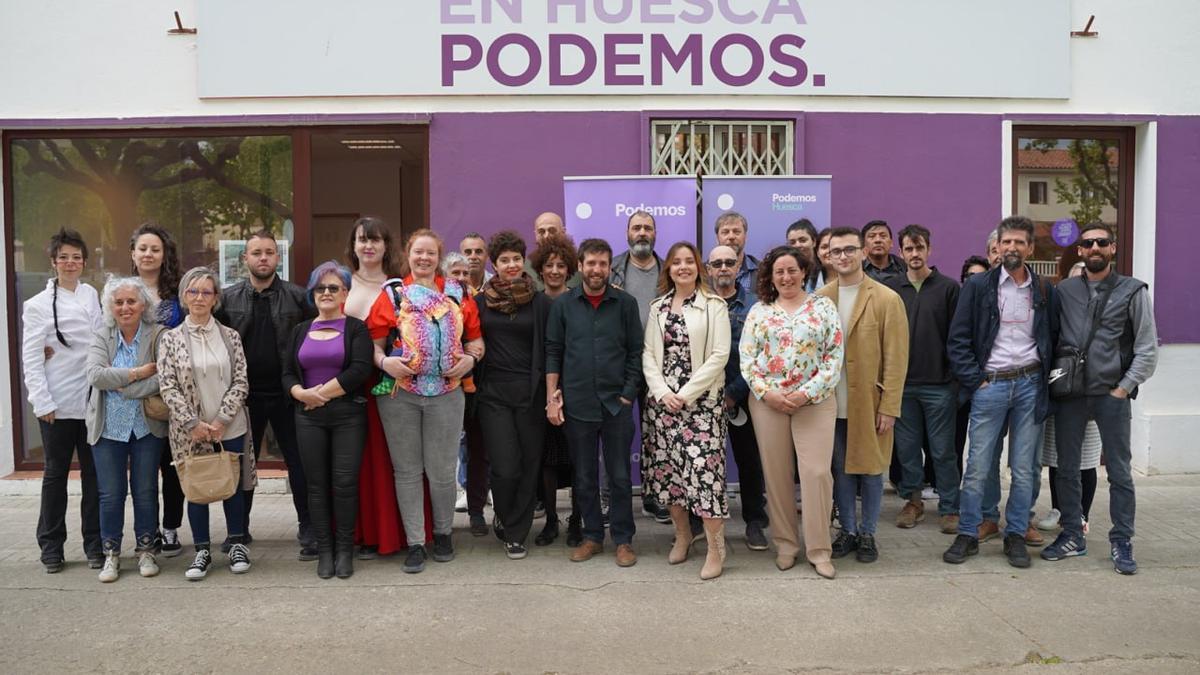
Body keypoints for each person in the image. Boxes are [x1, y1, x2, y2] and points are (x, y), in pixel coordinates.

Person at [1041, 223, 1158, 574]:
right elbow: (1051, 337)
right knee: (1066, 468)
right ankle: (1073, 534)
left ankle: (1122, 539)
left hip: (1111, 395)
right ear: (1079, 250)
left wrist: (1123, 388)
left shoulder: (1133, 291)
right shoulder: (1064, 291)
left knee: (1120, 472)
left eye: (1101, 242)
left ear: (1113, 248)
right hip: (1071, 395)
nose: (1094, 248)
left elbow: (1147, 348)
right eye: (1087, 243)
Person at [367, 229, 484, 574]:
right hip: (400, 395)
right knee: (407, 471)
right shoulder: (393, 294)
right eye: (418, 252)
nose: (423, 258)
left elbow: (476, 340)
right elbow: (373, 343)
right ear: (408, 254)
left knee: (443, 471)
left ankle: (444, 534)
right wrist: (383, 362)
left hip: (448, 394)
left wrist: (471, 360)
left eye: (430, 253)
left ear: (438, 257)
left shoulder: (457, 293)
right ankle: (416, 542)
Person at [944, 216, 1057, 569]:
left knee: (1024, 468)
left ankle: (1016, 535)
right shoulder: (978, 286)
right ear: (996, 247)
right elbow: (958, 339)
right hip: (990, 384)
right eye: (1006, 242)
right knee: (977, 464)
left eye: (1019, 243)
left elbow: (1052, 337)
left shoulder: (1044, 289)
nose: (1011, 248)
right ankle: (968, 532)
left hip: (1029, 384)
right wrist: (976, 379)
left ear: (1030, 248)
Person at [740, 246, 843, 579]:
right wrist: (769, 393)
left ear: (804, 272)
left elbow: (833, 357)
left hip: (814, 402)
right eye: (779, 271)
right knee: (777, 475)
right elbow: (748, 359)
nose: (786, 277)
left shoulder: (823, 307)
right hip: (768, 403)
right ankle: (786, 545)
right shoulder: (759, 311)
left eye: (792, 270)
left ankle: (819, 549)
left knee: (815, 474)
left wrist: (804, 393)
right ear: (770, 276)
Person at [215, 230, 316, 559]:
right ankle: (238, 530)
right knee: (242, 465)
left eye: (269, 252)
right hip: (244, 397)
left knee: (299, 464)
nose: (263, 258)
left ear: (278, 257)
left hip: (289, 394)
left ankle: (309, 528)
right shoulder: (227, 300)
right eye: (256, 252)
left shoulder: (298, 297)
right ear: (245, 258)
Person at [546, 238, 643, 567]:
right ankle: (591, 537)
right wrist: (553, 396)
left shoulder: (626, 304)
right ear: (580, 266)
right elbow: (553, 352)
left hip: (617, 404)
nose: (597, 269)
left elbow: (635, 352)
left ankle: (623, 540)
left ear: (608, 267)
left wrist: (628, 393)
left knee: (618, 476)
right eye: (591, 263)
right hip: (578, 403)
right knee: (584, 475)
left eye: (603, 264)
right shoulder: (564, 305)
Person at [158, 267, 255, 580]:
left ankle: (237, 543)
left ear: (216, 299)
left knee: (232, 486)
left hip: (230, 425)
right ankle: (201, 550)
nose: (199, 297)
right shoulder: (170, 339)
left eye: (206, 292)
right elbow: (167, 385)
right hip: (190, 430)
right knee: (197, 487)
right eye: (192, 291)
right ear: (184, 297)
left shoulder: (230, 336)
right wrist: (193, 423)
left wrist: (222, 419)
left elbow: (241, 379)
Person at [819, 228, 909, 564]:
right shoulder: (821, 299)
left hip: (870, 403)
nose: (842, 256)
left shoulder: (886, 299)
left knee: (871, 470)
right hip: (830, 404)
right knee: (840, 469)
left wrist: (889, 407)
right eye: (836, 251)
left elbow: (897, 359)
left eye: (849, 250)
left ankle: (869, 532)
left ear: (862, 253)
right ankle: (849, 531)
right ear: (828, 256)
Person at [642, 242, 731, 579]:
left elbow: (719, 355)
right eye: (676, 262)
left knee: (705, 480)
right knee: (670, 478)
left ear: (698, 267)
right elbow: (648, 356)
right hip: (663, 407)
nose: (683, 267)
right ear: (668, 268)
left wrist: (686, 394)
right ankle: (682, 536)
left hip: (701, 406)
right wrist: (664, 393)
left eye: (689, 261)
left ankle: (715, 549)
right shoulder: (658, 308)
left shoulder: (714, 306)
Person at [282, 261, 374, 579]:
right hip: (308, 419)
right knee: (316, 486)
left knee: (345, 484)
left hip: (347, 416)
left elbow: (360, 370)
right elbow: (288, 373)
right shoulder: (299, 331)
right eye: (320, 288)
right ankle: (325, 551)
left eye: (333, 287)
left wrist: (318, 394)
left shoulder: (356, 329)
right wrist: (300, 393)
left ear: (345, 293)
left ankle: (345, 551)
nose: (326, 293)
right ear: (312, 293)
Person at [22, 228, 104, 573]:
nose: (70, 263)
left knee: (93, 477)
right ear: (53, 262)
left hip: (91, 400)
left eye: (76, 257)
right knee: (55, 475)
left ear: (84, 261)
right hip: (56, 403)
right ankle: (51, 545)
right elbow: (31, 356)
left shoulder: (91, 295)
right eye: (64, 257)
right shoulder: (37, 305)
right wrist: (42, 402)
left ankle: (94, 544)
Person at [343, 216, 421, 560]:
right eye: (362, 240)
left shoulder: (400, 287)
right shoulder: (341, 283)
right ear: (354, 246)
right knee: (360, 462)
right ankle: (366, 534)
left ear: (386, 245)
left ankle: (403, 534)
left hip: (392, 382)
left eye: (375, 240)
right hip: (347, 382)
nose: (369, 246)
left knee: (396, 459)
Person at [473, 231, 553, 559]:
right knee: (505, 467)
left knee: (530, 464)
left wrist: (551, 393)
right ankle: (506, 515)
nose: (511, 264)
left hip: (530, 395)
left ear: (524, 263)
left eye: (516, 259)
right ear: (495, 263)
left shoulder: (540, 302)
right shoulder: (479, 302)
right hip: (492, 394)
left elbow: (550, 350)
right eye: (504, 260)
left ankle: (516, 532)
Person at [86, 276, 167, 582]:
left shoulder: (158, 334)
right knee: (111, 494)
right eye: (118, 302)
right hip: (108, 428)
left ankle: (146, 550)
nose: (125, 307)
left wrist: (125, 386)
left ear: (143, 303)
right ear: (110, 306)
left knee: (145, 491)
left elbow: (164, 377)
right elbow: (95, 376)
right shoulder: (101, 335)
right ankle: (111, 555)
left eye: (131, 301)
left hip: (146, 427)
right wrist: (136, 373)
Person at [886, 224, 962, 534]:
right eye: (908, 249)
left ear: (929, 250)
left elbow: (958, 337)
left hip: (939, 385)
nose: (915, 254)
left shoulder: (948, 288)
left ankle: (950, 507)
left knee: (943, 450)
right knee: (906, 449)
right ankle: (913, 501)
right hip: (902, 386)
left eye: (920, 248)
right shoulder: (892, 290)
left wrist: (955, 380)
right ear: (901, 252)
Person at [128, 223, 186, 558]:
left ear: (164, 255)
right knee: (143, 468)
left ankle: (171, 528)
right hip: (135, 386)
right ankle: (146, 531)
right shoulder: (119, 291)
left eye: (155, 249)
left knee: (173, 463)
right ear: (133, 253)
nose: (148, 254)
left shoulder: (178, 292)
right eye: (143, 248)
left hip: (173, 389)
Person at [706, 244, 769, 551]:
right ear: (708, 269)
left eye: (729, 262)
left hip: (744, 397)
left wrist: (733, 393)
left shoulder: (756, 306)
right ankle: (699, 524)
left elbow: (758, 356)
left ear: (738, 266)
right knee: (704, 464)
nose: (723, 268)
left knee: (750, 462)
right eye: (717, 263)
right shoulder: (698, 305)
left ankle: (755, 522)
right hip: (703, 400)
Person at [609, 210, 669, 525]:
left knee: (657, 433)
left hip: (661, 364)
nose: (642, 233)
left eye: (647, 228)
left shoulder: (668, 270)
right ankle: (610, 500)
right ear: (627, 233)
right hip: (621, 363)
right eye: (636, 228)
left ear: (655, 234)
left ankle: (654, 496)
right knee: (615, 431)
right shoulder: (613, 269)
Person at [528, 234, 582, 546]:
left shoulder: (577, 300)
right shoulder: (533, 301)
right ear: (540, 268)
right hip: (541, 391)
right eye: (549, 265)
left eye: (561, 265)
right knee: (546, 460)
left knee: (576, 458)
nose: (555, 270)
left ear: (570, 268)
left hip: (574, 388)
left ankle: (576, 520)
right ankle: (550, 520)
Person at [444, 251, 489, 536]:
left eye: (465, 274)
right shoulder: (431, 300)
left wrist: (472, 355)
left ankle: (476, 512)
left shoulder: (477, 302)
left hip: (473, 388)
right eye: (455, 273)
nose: (461, 278)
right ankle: (437, 520)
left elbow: (479, 340)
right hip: (439, 389)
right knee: (440, 455)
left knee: (477, 452)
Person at [714, 211, 759, 295]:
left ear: (745, 236)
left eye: (736, 232)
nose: (731, 237)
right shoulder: (702, 272)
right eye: (725, 232)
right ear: (717, 238)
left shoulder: (763, 270)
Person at [785, 218, 821, 291]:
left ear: (814, 242)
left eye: (802, 240)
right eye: (792, 242)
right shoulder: (785, 272)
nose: (797, 245)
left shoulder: (826, 269)